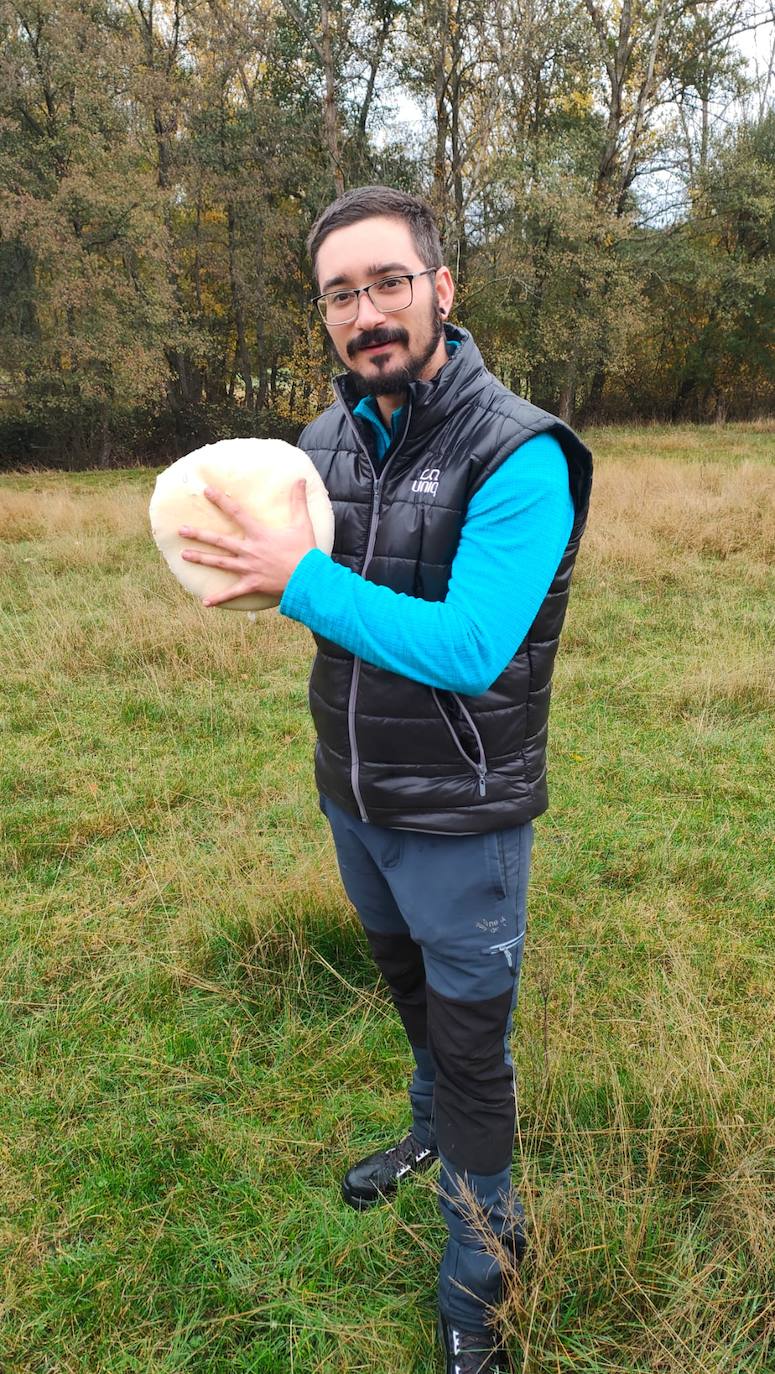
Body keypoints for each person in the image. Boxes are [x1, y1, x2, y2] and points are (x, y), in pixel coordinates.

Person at [178, 186, 592, 1374]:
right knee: (407, 993)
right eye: (340, 294)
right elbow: (278, 567)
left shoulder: (520, 453)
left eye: (387, 283)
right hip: (351, 793)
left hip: (462, 815)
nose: (366, 313)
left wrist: (298, 578)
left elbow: (473, 648)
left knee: (472, 1045)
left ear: (441, 289)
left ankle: (481, 1272)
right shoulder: (319, 443)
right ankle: (427, 1137)